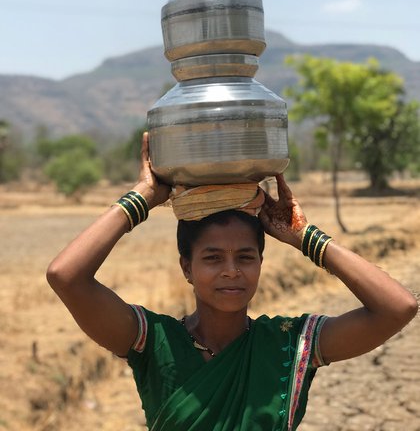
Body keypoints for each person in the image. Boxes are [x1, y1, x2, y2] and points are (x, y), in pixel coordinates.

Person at [46, 133, 418, 431]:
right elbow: (66, 276)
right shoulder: (155, 343)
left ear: (260, 262)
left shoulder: (288, 344)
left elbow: (397, 307)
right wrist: (143, 197)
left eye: (245, 257)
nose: (231, 271)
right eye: (212, 258)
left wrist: (304, 236)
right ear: (186, 267)